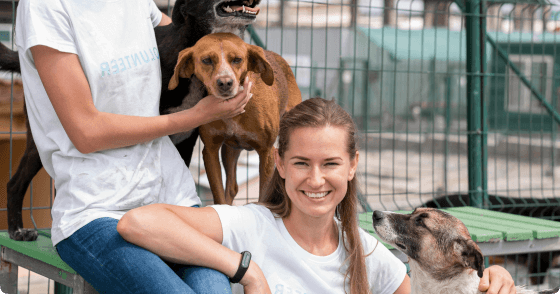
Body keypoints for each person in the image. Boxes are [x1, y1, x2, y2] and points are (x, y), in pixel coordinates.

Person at [15, 0, 251, 292]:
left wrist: (205, 4)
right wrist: (194, 117)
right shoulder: (47, 1)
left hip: (172, 200)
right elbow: (86, 132)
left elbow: (189, 49)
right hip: (95, 211)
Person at [118, 98, 517, 294]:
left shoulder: (366, 253)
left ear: (352, 166)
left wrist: (487, 280)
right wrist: (246, 271)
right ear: (278, 163)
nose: (315, 179)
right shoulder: (252, 225)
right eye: (301, 163)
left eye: (330, 163)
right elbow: (138, 222)